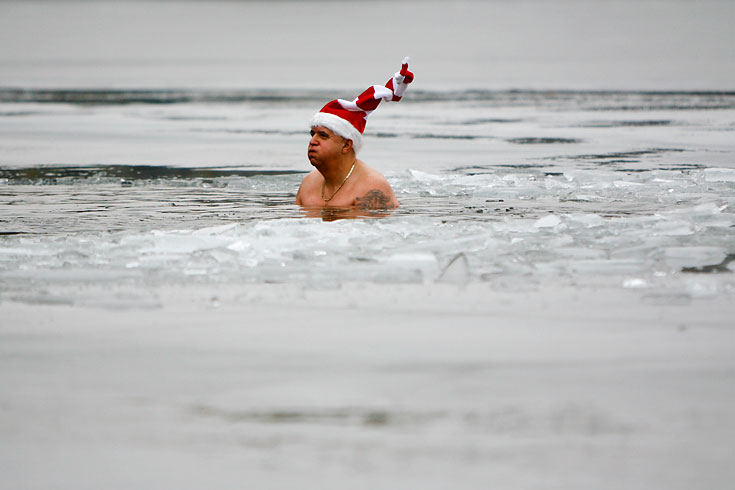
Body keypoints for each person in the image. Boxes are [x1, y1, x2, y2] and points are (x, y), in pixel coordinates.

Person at [295, 58, 414, 210]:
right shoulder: (308, 185)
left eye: (323, 135)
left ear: (346, 145)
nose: (313, 141)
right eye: (313, 134)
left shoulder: (371, 189)